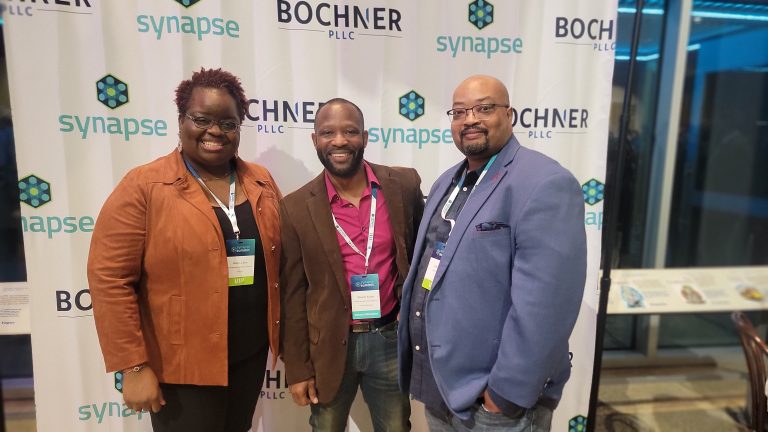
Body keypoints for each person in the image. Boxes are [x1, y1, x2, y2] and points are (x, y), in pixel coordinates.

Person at [87, 68, 282, 432]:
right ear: (181, 121)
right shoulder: (145, 185)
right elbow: (109, 279)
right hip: (181, 366)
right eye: (202, 119)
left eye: (228, 122)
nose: (215, 132)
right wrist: (133, 366)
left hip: (249, 356)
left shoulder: (260, 181)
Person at [397, 75, 587, 432]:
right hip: (441, 389)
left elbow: (547, 306)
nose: (470, 119)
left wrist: (504, 396)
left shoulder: (543, 182)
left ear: (509, 114)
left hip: (495, 405)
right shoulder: (446, 182)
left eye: (484, 108)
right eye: (459, 112)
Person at [280, 98, 424, 431]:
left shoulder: (403, 185)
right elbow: (293, 293)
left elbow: (419, 253)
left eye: (350, 131)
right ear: (315, 140)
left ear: (365, 137)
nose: (340, 141)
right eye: (328, 132)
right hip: (330, 345)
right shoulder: (295, 207)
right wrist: (298, 369)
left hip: (389, 337)